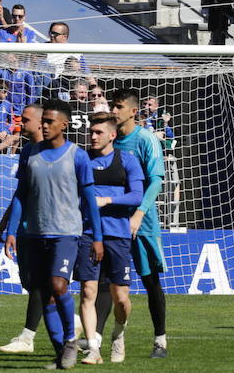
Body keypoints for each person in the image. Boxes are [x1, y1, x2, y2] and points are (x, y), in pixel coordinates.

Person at [4, 99, 103, 370]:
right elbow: (21, 195)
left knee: (59, 285)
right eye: (43, 120)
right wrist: (12, 231)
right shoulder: (30, 153)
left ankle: (71, 338)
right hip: (35, 234)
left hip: (67, 234)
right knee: (44, 293)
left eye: (49, 121)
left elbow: (90, 199)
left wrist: (97, 238)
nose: (44, 125)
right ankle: (61, 353)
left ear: (64, 125)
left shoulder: (78, 155)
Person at [92, 89, 167, 359]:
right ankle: (96, 341)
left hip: (142, 222)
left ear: (133, 111)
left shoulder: (146, 140)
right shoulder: (109, 142)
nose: (114, 110)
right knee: (102, 283)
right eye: (113, 105)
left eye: (119, 106)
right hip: (112, 223)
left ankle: (160, 341)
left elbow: (156, 180)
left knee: (150, 280)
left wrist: (139, 214)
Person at [73, 112, 144, 365]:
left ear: (112, 135)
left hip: (118, 236)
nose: (92, 136)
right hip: (88, 234)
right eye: (91, 132)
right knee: (88, 292)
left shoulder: (127, 161)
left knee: (121, 300)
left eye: (98, 132)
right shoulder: (81, 160)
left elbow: (137, 196)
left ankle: (118, 333)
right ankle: (93, 348)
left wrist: (107, 200)